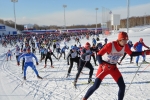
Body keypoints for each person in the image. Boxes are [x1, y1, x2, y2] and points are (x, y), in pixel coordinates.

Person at [82, 32, 150, 100]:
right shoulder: (110, 45)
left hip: (113, 68)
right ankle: (84, 99)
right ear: (120, 39)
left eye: (127, 40)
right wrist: (101, 64)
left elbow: (131, 54)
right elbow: (99, 55)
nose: (126, 42)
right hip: (104, 68)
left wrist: (143, 52)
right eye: (124, 40)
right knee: (95, 86)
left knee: (122, 86)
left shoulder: (125, 46)